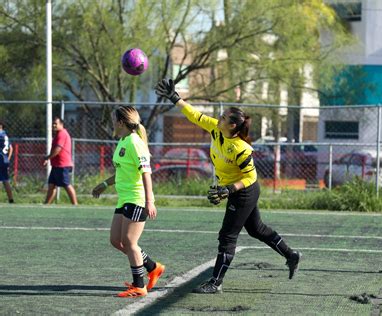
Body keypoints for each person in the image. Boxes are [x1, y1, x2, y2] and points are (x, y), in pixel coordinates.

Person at [155, 79, 301, 294]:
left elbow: (251, 177)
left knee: (227, 236)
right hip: (235, 190)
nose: (218, 119)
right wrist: (175, 98)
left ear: (232, 125)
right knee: (257, 230)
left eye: (223, 118)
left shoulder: (240, 148)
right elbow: (194, 115)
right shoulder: (216, 129)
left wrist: (229, 190)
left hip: (244, 191)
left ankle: (215, 282)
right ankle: (291, 255)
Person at [92, 105, 165, 298]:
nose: (112, 124)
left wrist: (150, 201)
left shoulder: (134, 142)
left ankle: (139, 285)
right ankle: (152, 267)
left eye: (113, 120)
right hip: (124, 199)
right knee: (116, 241)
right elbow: (122, 172)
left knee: (130, 242)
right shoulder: (123, 141)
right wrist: (104, 184)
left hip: (136, 198)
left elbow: (146, 172)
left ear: (121, 122)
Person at [43, 117, 78, 205]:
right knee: (51, 185)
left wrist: (48, 157)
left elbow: (58, 149)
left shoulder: (62, 134)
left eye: (56, 123)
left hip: (62, 165)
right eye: (53, 123)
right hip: (56, 165)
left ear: (61, 125)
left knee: (66, 185)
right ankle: (46, 205)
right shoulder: (58, 134)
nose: (54, 125)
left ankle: (75, 205)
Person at [0, 121, 14, 203]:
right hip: (4, 159)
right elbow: (11, 148)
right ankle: (11, 200)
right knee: (5, 180)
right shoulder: (5, 135)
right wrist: (7, 159)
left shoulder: (0, 136)